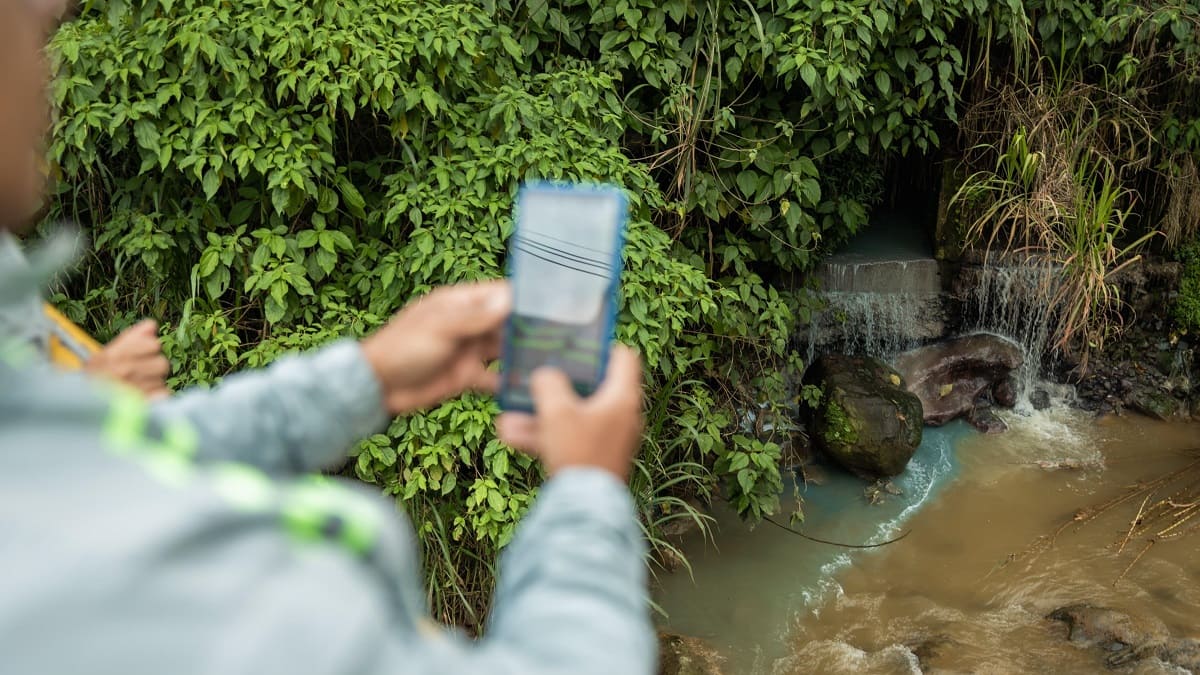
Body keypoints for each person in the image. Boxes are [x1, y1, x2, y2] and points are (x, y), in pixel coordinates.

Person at [0, 2, 656, 674]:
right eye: (28, 23)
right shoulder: (182, 598)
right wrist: (586, 490)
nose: (51, 33)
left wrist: (370, 375)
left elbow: (109, 461)